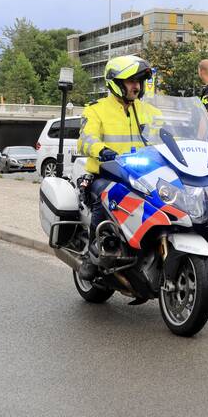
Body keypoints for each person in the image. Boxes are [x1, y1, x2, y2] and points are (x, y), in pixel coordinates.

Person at [76, 55, 161, 280]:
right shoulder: (96, 110)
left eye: (138, 81)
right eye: (131, 81)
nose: (136, 86)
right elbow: (85, 140)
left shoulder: (149, 111)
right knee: (104, 198)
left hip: (143, 174)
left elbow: (168, 136)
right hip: (107, 173)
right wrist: (102, 150)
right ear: (116, 83)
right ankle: (92, 253)